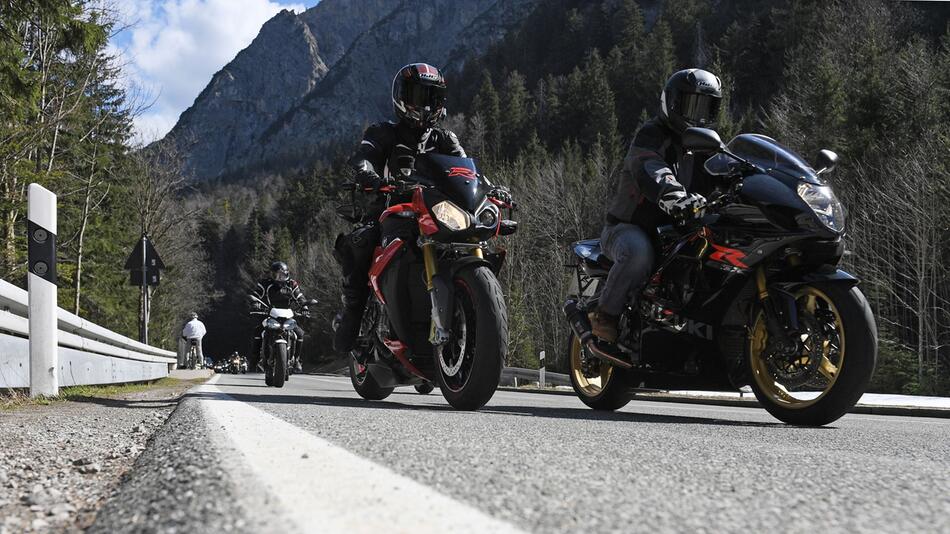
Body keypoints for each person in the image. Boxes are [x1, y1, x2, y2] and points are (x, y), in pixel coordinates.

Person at [332, 62, 468, 353]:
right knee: (362, 240)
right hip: (390, 208)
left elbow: (468, 173)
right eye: (420, 96)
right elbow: (363, 157)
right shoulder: (383, 132)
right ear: (402, 97)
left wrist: (490, 190)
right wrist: (369, 175)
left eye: (432, 97)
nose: (426, 105)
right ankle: (353, 310)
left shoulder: (446, 139)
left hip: (436, 213)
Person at [590, 68, 723, 344]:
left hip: (678, 231)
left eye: (705, 107)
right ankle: (605, 316)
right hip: (628, 228)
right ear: (671, 102)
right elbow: (651, 169)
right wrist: (675, 197)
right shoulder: (651, 135)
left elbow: (724, 172)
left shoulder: (704, 145)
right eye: (690, 104)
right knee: (639, 253)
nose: (696, 115)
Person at [249, 261, 309, 372]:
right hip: (270, 315)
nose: (279, 278)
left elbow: (300, 296)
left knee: (300, 333)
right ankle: (255, 360)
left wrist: (304, 307)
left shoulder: (292, 284)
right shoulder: (265, 283)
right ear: (272, 275)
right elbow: (256, 294)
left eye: (282, 275)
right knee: (257, 332)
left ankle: (296, 360)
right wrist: (255, 302)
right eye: (276, 275)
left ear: (287, 274)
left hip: (288, 316)